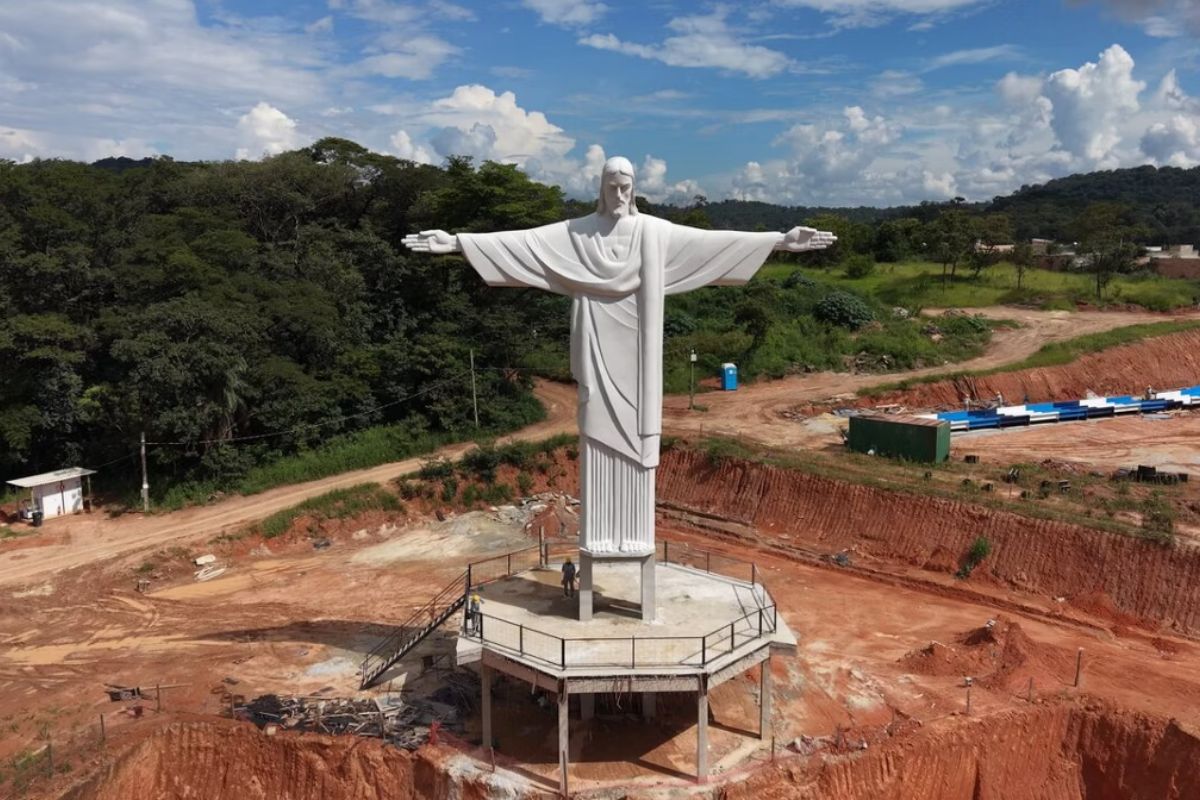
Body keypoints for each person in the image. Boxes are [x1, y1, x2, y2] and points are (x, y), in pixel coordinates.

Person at [403, 158, 834, 565]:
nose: (619, 193)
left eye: (625, 186)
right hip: (596, 345)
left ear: (635, 188)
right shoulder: (576, 234)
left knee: (635, 443)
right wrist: (457, 243)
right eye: (611, 186)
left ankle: (634, 537)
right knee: (596, 434)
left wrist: (779, 242)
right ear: (600, 188)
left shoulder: (654, 233)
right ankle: (601, 538)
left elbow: (712, 244)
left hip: (639, 355)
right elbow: (523, 244)